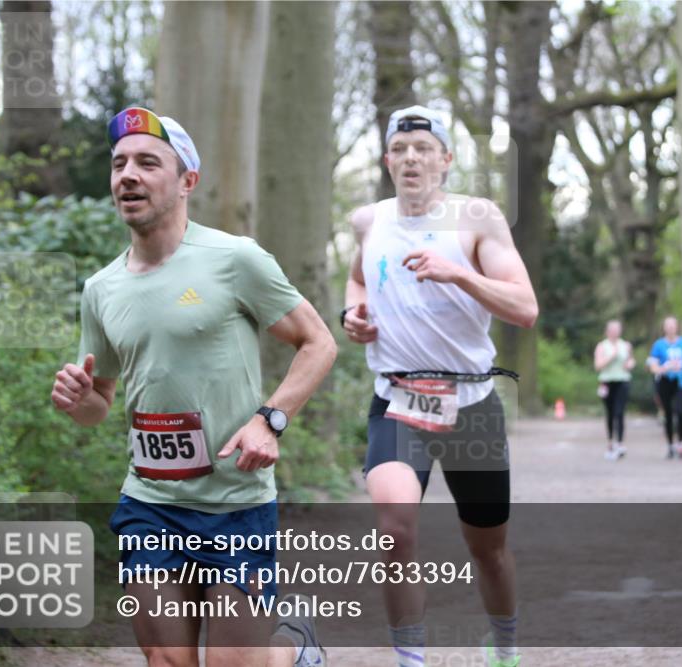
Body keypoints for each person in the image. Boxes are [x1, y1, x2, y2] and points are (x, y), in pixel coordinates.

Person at [50, 106, 336, 667]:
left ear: (187, 182)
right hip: (151, 504)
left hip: (235, 504)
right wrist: (79, 399)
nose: (127, 175)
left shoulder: (234, 260)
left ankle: (293, 653)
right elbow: (99, 403)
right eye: (119, 164)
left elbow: (318, 342)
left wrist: (269, 419)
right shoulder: (101, 289)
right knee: (167, 662)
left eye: (147, 163)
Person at [341, 105, 538, 667]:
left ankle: (504, 645)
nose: (411, 158)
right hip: (398, 402)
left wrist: (459, 274)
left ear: (446, 160)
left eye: (424, 148)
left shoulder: (476, 218)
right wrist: (355, 313)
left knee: (489, 549)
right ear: (386, 161)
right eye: (400, 150)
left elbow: (525, 308)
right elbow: (358, 277)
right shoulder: (368, 221)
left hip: (471, 406)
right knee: (394, 529)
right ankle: (412, 660)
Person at [646, 316, 682, 459]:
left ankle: (680, 442)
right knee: (668, 414)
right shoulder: (658, 345)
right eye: (667, 326)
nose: (670, 328)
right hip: (664, 382)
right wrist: (663, 368)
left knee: (680, 411)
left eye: (673, 325)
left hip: (680, 381)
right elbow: (652, 365)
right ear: (664, 328)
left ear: (677, 327)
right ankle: (670, 444)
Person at [593, 320, 635, 460]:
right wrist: (612, 356)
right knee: (610, 413)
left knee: (620, 412)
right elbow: (598, 366)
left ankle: (620, 443)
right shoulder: (601, 346)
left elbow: (630, 361)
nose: (615, 332)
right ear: (607, 331)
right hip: (607, 381)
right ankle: (611, 441)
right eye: (612, 329)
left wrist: (630, 364)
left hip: (622, 380)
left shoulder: (626, 345)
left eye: (617, 329)